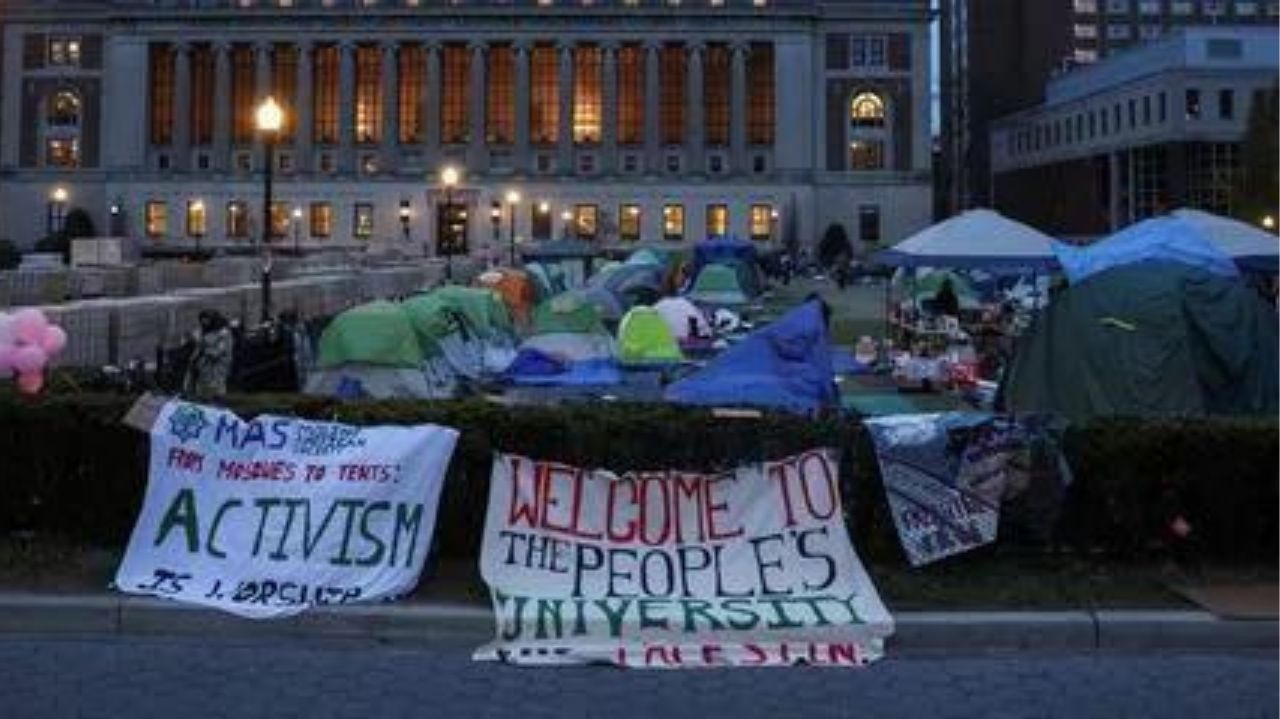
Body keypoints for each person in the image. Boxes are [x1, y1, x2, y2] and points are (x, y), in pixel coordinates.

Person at [184, 310, 234, 397]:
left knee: (216, 384)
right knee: (198, 382)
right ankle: (194, 395)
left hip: (218, 364)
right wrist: (193, 358)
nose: (204, 322)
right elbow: (199, 346)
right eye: (202, 320)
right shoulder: (204, 331)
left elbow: (221, 350)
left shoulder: (223, 332)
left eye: (206, 320)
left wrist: (207, 351)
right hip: (203, 363)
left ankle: (218, 399)